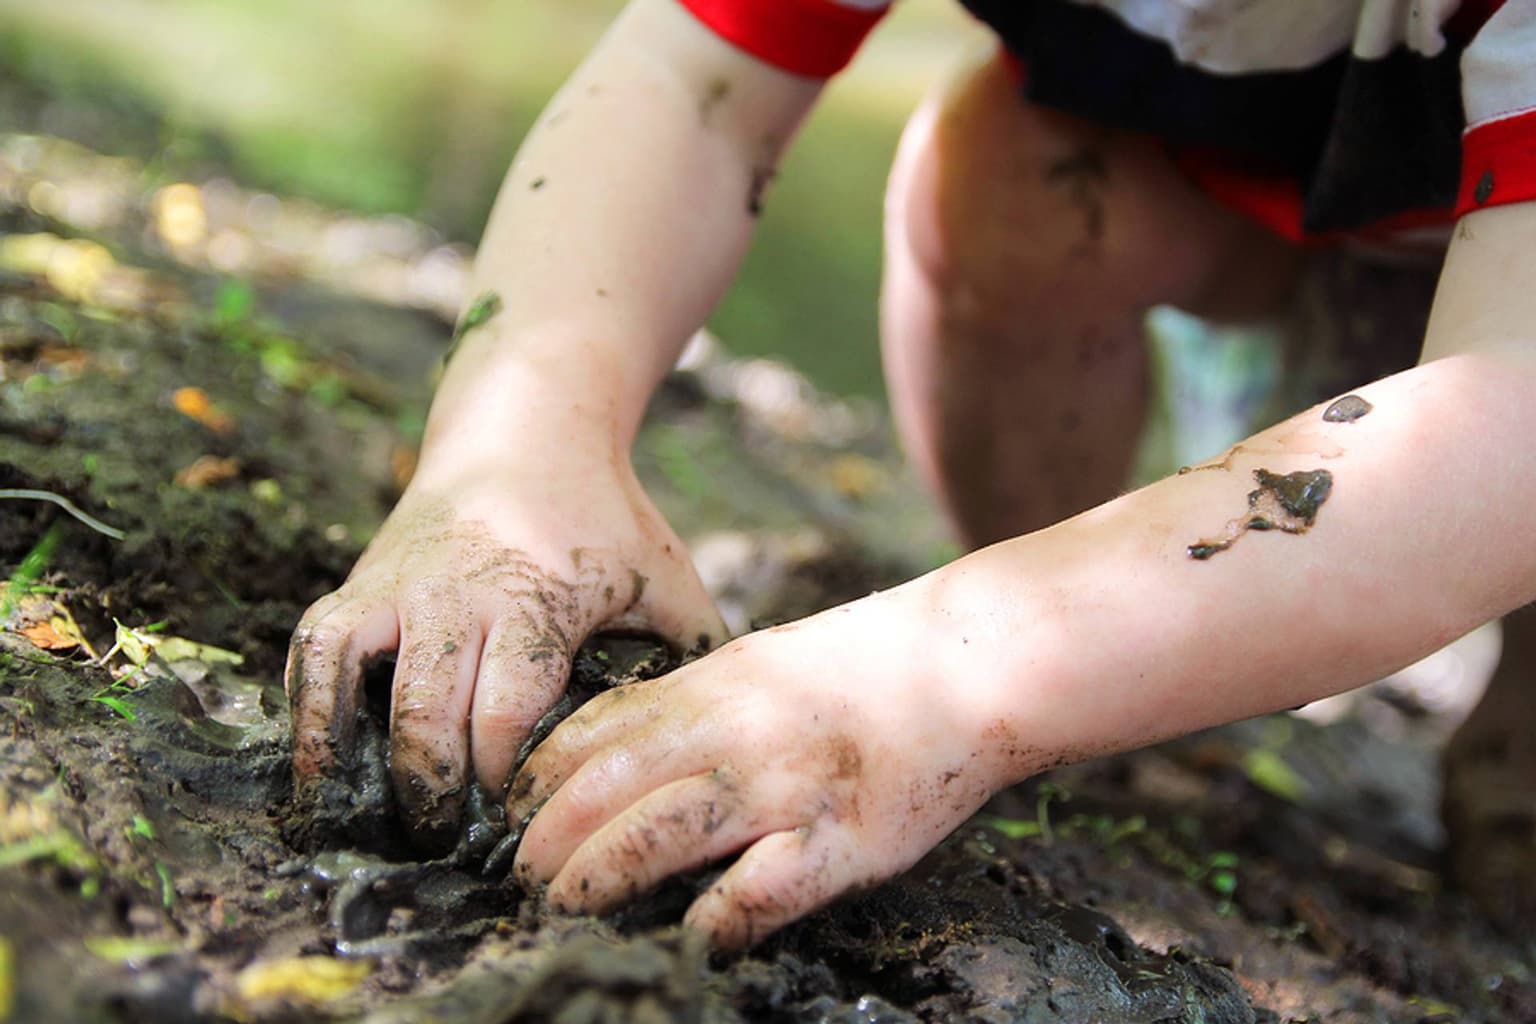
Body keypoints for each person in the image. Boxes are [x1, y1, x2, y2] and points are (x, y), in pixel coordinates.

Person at [285, 0, 1536, 949]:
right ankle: (1109, 694)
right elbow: (696, 74)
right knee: (1016, 172)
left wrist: (945, 665)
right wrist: (520, 444)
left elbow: (1509, 408)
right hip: (1264, 190)